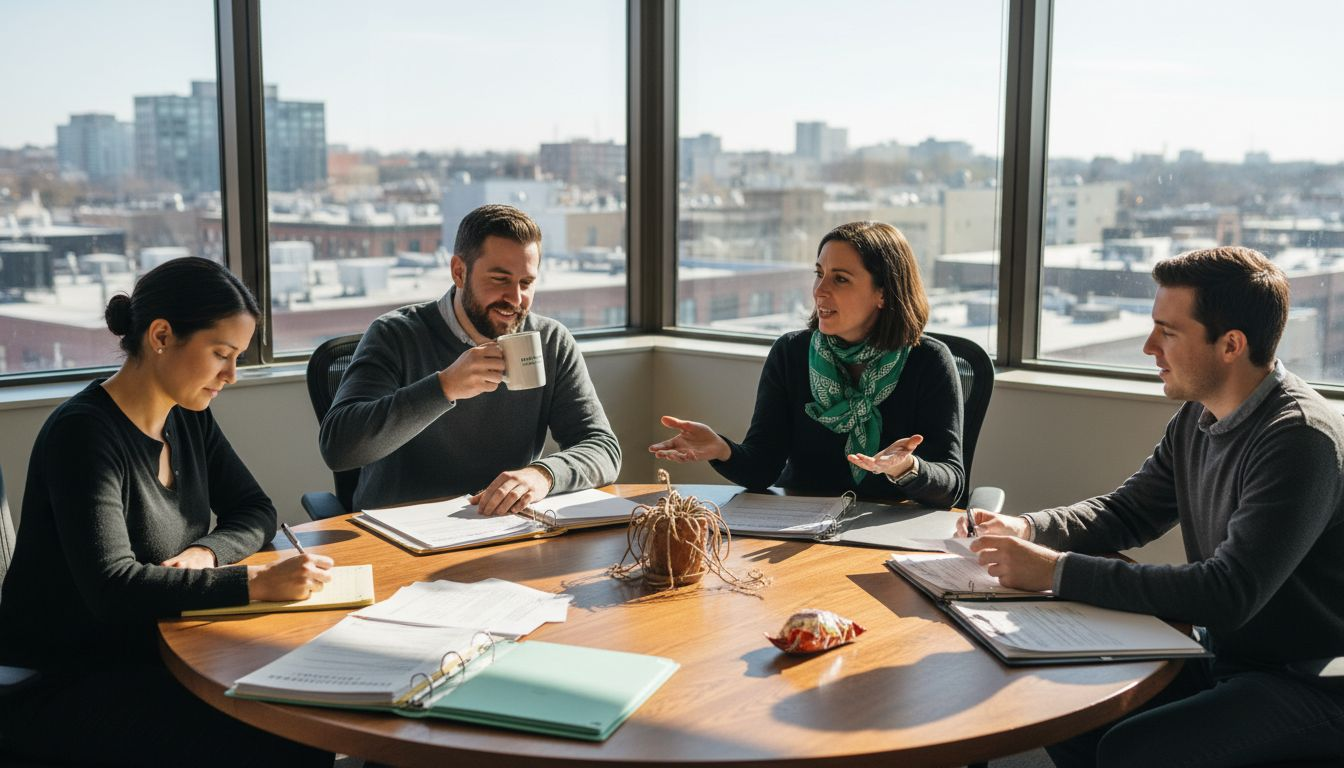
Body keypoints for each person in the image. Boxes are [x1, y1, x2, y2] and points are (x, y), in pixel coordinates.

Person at [964, 247, 1344, 767]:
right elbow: (1128, 512)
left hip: (1309, 681)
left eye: (1168, 332)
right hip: (1227, 655)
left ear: (1231, 345)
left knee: (1131, 750)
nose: (1149, 347)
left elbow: (1227, 593)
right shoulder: (1198, 416)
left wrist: (1055, 571)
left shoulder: (1299, 439)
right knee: (1059, 704)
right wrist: (1028, 527)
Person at [0, 257, 333, 766]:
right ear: (161, 336)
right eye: (221, 354)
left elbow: (255, 509)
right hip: (67, 679)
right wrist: (254, 584)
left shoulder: (188, 417)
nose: (232, 375)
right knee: (286, 733)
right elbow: (113, 588)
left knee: (301, 707)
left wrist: (207, 552)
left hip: (158, 650)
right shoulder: (82, 435)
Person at [320, 204, 621, 514]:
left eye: (526, 283)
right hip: (398, 527)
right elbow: (338, 449)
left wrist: (543, 475)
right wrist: (444, 387)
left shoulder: (550, 341)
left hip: (502, 525)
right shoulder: (395, 335)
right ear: (459, 272)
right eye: (500, 279)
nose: (516, 299)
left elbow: (602, 448)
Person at [650, 221, 964, 507]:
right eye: (819, 274)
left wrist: (906, 467)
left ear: (882, 293)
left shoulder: (929, 361)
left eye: (840, 279)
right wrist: (722, 449)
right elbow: (762, 467)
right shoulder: (792, 353)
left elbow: (951, 486)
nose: (819, 290)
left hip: (884, 530)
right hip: (798, 525)